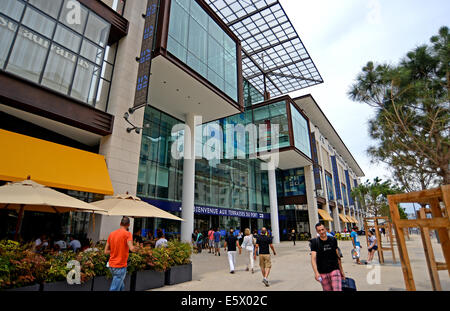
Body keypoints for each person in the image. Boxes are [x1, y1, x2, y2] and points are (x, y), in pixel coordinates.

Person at [310, 223, 345, 291]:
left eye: (323, 229)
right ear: (317, 232)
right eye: (319, 230)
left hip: (334, 270)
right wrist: (316, 273)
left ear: (326, 229)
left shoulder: (333, 240)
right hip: (322, 273)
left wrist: (341, 270)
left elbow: (337, 256)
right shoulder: (314, 242)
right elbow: (313, 259)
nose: (321, 232)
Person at [104, 216, 136, 291]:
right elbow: (131, 248)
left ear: (120, 223)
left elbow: (105, 251)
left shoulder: (112, 234)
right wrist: (138, 248)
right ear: (128, 225)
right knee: (114, 289)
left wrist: (115, 250)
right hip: (120, 266)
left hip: (111, 265)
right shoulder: (128, 234)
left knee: (121, 287)